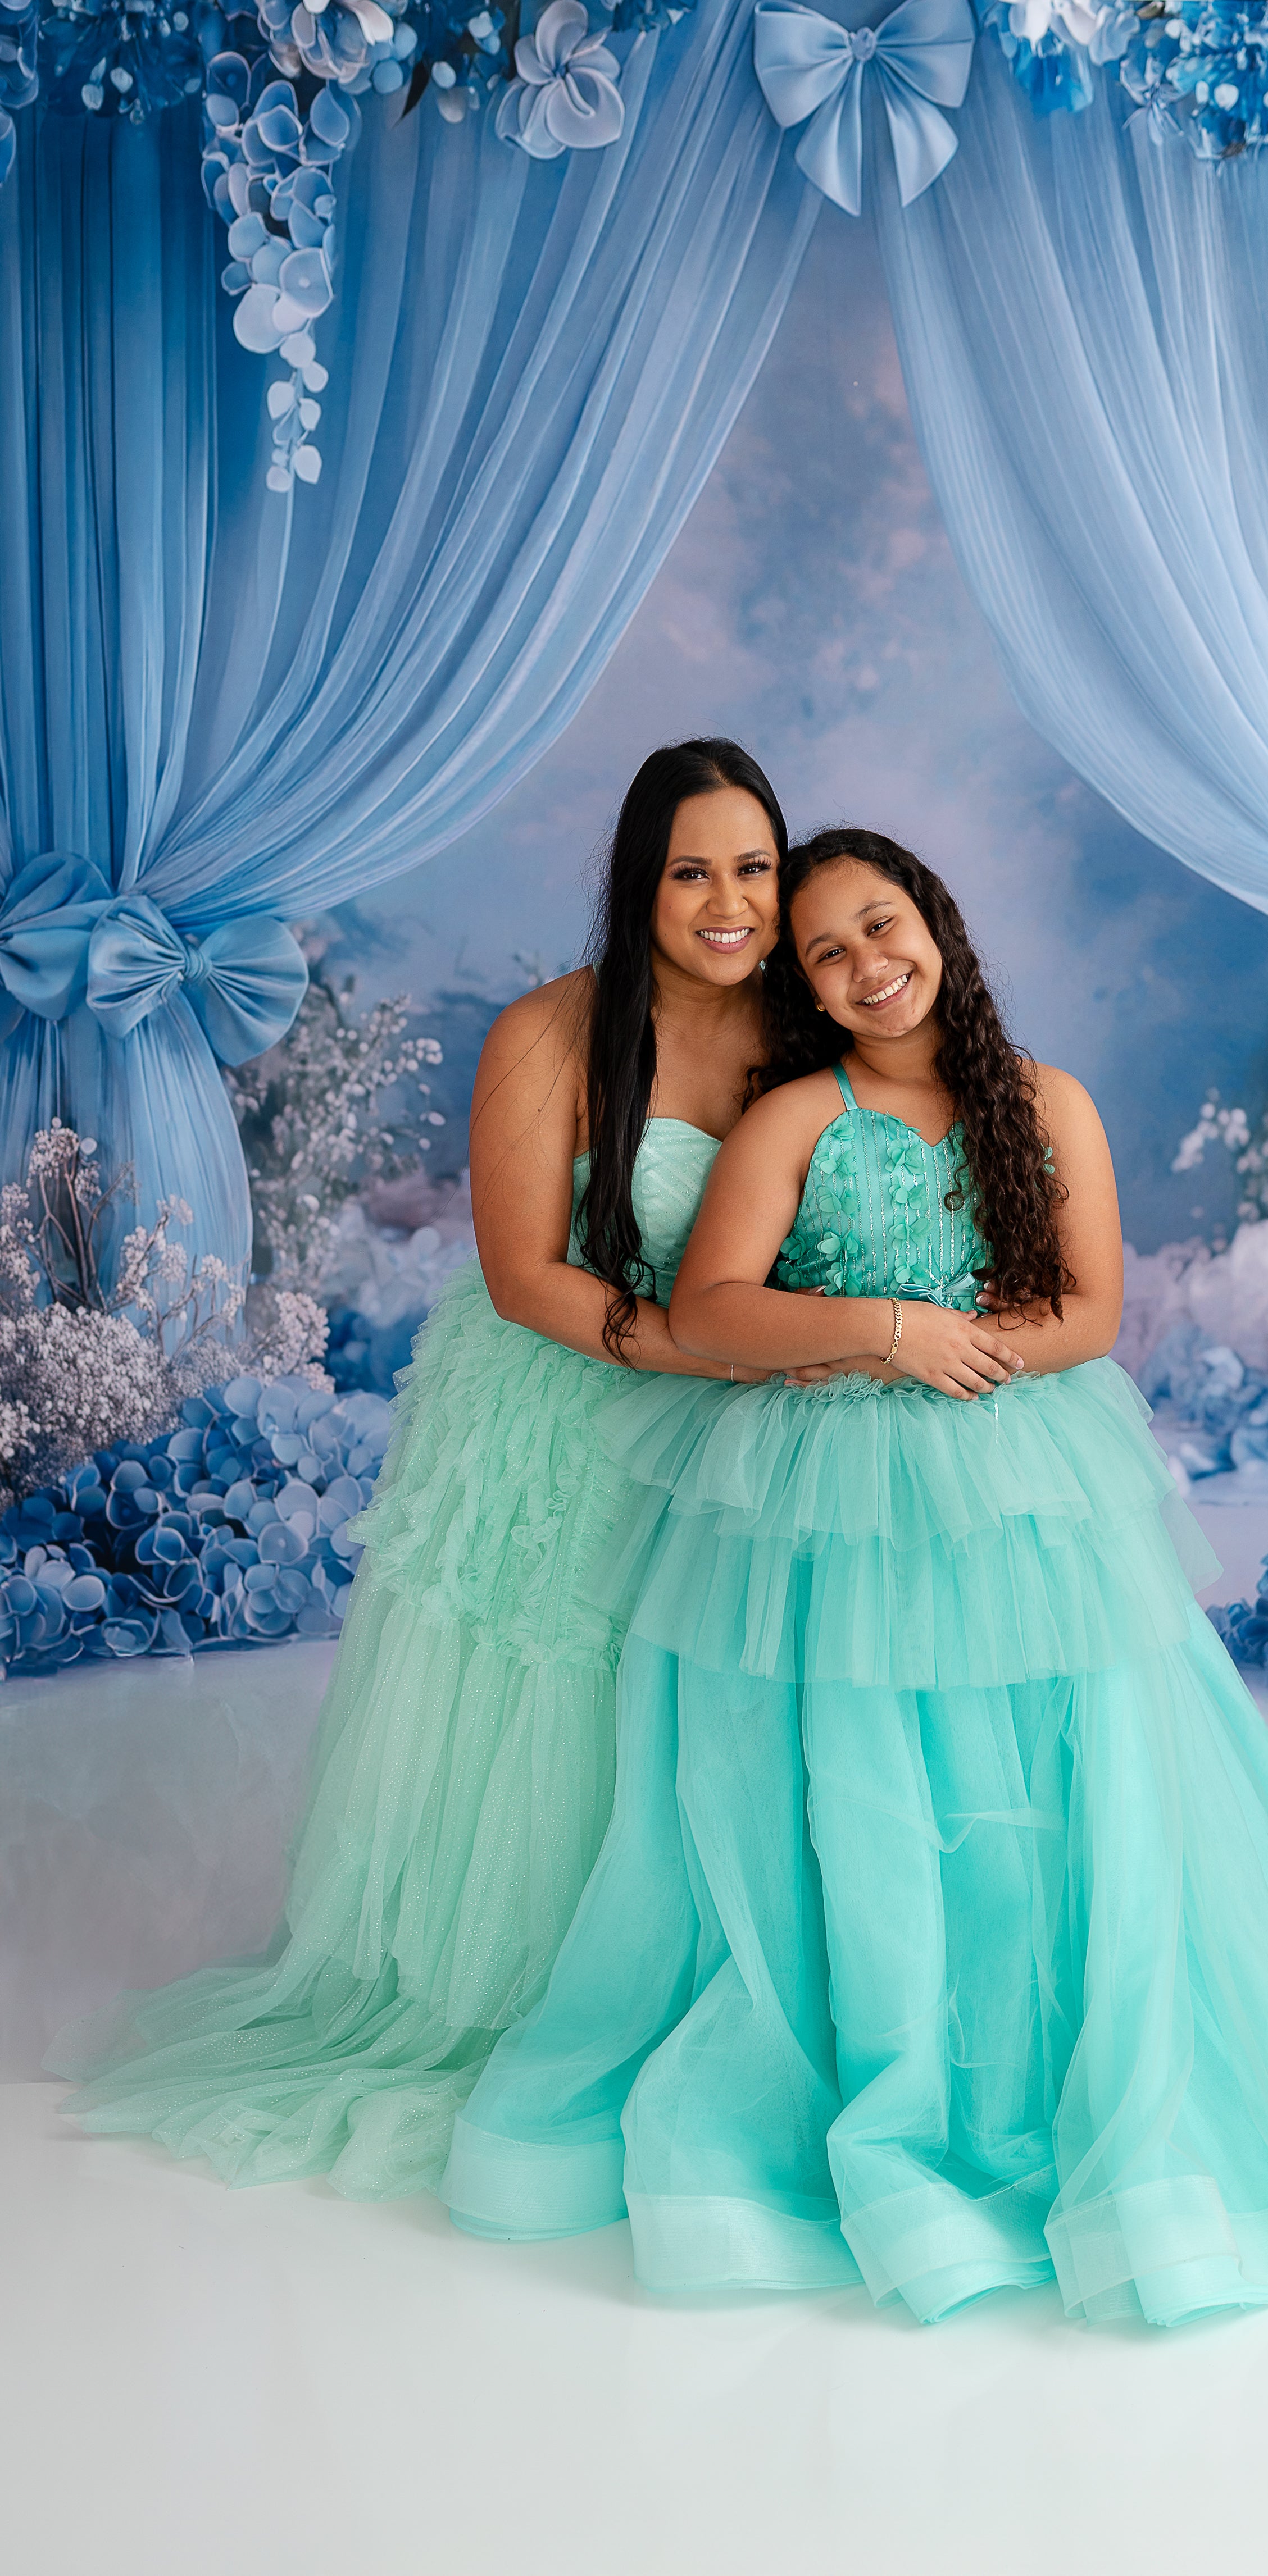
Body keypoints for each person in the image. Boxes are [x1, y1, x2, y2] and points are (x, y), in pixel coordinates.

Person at [443, 826, 1268, 2328]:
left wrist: (960, 1355)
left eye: (879, 925)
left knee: (1065, 1754)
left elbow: (1090, 1310)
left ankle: (1040, 2013)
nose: (864, 965)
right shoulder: (797, 1114)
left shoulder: (1046, 1103)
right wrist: (883, 1331)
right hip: (826, 1481)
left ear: (937, 918)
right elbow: (716, 1305)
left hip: (1016, 1468)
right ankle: (888, 2039)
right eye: (827, 955)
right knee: (857, 1762)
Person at [49, 740, 787, 2200]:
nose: (726, 900)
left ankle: (739, 1975)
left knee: (730, 1689)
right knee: (564, 1706)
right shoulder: (553, 1032)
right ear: (638, 881)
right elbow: (524, 1276)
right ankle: (551, 1981)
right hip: (567, 1405)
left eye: (753, 867)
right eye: (690, 869)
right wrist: (718, 1353)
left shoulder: (809, 1029)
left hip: (735, 1414)